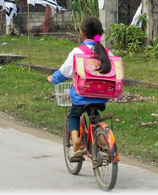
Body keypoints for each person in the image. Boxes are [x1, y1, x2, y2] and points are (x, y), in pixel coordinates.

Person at [47, 17, 113, 160]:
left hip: (81, 97)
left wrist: (53, 78)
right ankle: (101, 138)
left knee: (74, 116)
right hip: (102, 96)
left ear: (82, 34)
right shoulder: (107, 53)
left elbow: (65, 72)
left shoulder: (77, 52)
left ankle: (76, 140)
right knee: (94, 116)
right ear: (100, 33)